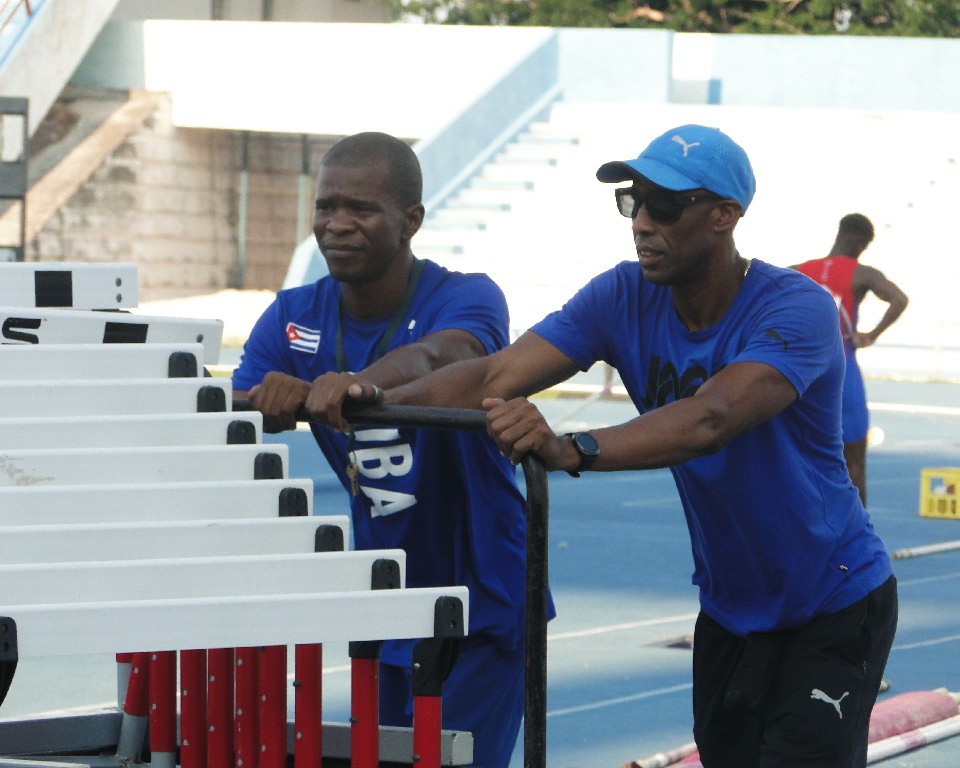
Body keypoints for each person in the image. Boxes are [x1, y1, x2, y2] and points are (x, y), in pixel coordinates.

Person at [321, 124, 899, 768]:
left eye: (666, 205)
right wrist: (367, 396)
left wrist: (575, 449)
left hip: (836, 599)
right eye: (632, 201)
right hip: (730, 607)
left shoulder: (797, 308)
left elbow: (712, 416)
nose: (642, 222)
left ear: (725, 217)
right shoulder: (620, 295)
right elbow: (494, 374)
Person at [232, 132, 543, 768]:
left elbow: (449, 353)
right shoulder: (292, 316)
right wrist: (271, 395)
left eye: (362, 209)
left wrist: (364, 385)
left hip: (482, 602)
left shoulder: (467, 294)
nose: (336, 225)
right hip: (380, 602)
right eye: (325, 206)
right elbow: (236, 408)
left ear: (411, 220)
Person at [792, 214, 909, 506]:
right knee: (854, 460)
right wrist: (872, 334)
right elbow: (899, 298)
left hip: (800, 375)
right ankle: (858, 540)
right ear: (860, 241)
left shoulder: (796, 271)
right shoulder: (862, 273)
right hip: (842, 373)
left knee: (794, 457)